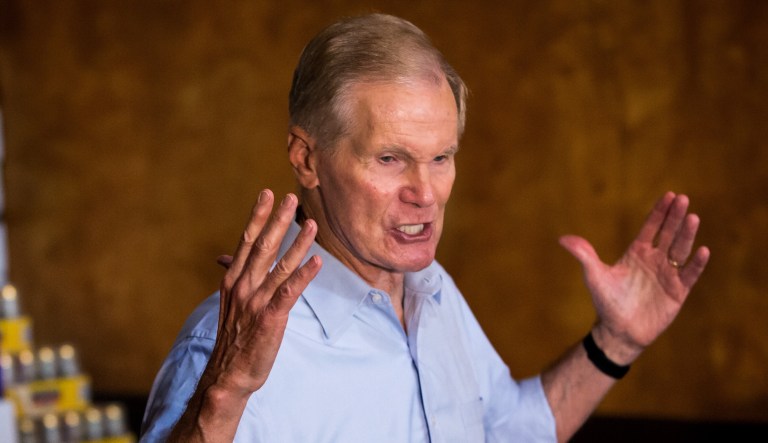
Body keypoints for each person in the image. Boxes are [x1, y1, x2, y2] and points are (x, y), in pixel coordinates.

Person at [140, 13, 710, 443]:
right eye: (389, 159)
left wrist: (617, 341)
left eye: (441, 157)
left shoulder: (430, 288)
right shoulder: (227, 349)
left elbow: (509, 430)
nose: (426, 192)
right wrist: (224, 395)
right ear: (307, 158)